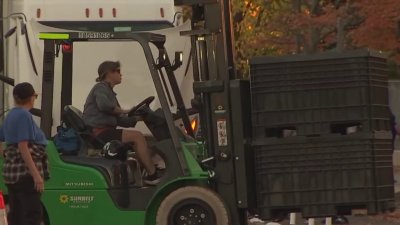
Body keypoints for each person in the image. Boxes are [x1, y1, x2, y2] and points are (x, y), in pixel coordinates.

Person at [82, 60, 161, 185]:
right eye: (118, 71)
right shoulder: (101, 88)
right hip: (98, 133)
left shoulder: (110, 93)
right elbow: (104, 105)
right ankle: (153, 175)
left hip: (105, 131)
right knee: (137, 136)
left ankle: (145, 171)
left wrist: (139, 118)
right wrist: (125, 110)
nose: (121, 74)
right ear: (109, 73)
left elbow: (121, 120)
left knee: (149, 139)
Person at [0, 82, 49, 225]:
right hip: (25, 174)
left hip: (13, 174)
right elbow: (23, 146)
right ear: (31, 98)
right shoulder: (24, 115)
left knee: (16, 214)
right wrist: (36, 175)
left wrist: (6, 155)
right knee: (31, 214)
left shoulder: (11, 115)